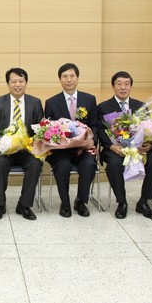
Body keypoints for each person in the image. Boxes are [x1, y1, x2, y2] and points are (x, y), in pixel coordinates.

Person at [97, 71, 152, 220]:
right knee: (114, 165)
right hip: (116, 149)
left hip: (140, 150)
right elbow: (100, 131)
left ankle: (143, 202)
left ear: (131, 86)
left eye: (126, 84)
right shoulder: (103, 107)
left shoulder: (141, 106)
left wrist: (149, 145)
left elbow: (151, 128)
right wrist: (111, 146)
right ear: (113, 86)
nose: (123, 87)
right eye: (119, 84)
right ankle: (122, 203)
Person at [0, 68, 44, 221]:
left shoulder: (35, 102)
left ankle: (24, 205)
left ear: (26, 83)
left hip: (26, 150)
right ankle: (0, 205)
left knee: (35, 163)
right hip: (4, 150)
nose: (17, 85)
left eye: (21, 81)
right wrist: (4, 145)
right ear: (8, 84)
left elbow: (40, 130)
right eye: (14, 81)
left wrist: (29, 144)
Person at [44, 63, 98, 218]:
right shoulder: (51, 102)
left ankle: (81, 201)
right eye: (65, 76)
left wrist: (92, 139)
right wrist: (58, 140)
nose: (69, 80)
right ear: (60, 79)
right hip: (61, 150)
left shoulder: (89, 99)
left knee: (89, 164)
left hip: (84, 148)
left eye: (72, 76)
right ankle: (65, 203)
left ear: (77, 78)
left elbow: (95, 125)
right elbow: (48, 129)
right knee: (62, 166)